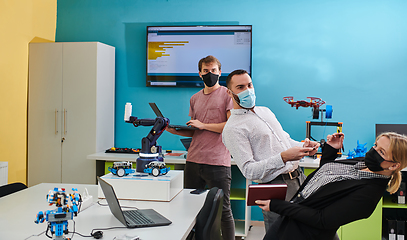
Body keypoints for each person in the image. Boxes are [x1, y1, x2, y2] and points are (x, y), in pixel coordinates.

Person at [256, 131, 407, 240]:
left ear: (394, 165)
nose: (373, 151)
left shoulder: (368, 196)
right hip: (288, 220)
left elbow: (322, 220)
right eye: (375, 145)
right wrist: (331, 151)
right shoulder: (361, 162)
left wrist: (277, 206)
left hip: (304, 234)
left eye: (381, 151)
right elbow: (326, 176)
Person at [221, 69, 320, 231]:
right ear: (229, 92)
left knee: (312, 231)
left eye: (249, 85)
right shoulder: (233, 128)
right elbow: (249, 171)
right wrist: (283, 157)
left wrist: (304, 147)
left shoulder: (265, 111)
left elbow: (285, 139)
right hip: (276, 189)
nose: (247, 90)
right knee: (284, 234)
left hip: (299, 179)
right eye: (240, 87)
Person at [166, 55, 235, 239]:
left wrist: (203, 125)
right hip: (194, 161)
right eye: (206, 71)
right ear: (200, 73)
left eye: (213, 70)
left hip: (218, 162)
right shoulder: (194, 98)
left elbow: (229, 127)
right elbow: (196, 130)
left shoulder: (227, 95)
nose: (210, 74)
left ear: (220, 72)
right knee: (189, 208)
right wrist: (173, 130)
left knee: (224, 210)